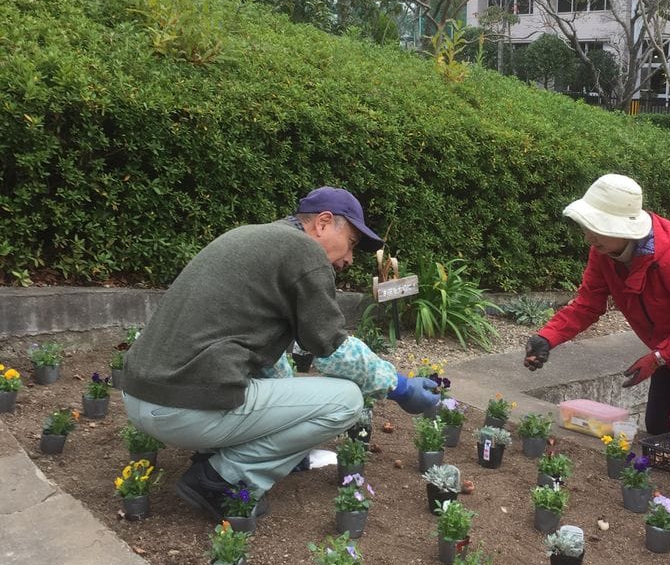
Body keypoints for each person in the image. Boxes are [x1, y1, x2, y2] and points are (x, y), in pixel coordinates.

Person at [122, 187, 440, 519]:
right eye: (352, 243)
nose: (349, 260)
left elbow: (267, 360)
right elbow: (335, 351)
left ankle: (211, 457)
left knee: (272, 390)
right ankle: (219, 481)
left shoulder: (255, 239)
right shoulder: (304, 252)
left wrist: (290, 444)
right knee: (346, 400)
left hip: (142, 396)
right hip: (183, 408)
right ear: (323, 223)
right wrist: (401, 387)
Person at [523, 173, 670, 434]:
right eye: (587, 227)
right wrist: (547, 337)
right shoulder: (603, 253)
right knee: (658, 429)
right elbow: (588, 304)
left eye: (597, 229)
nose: (589, 237)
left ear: (623, 228)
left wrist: (658, 357)